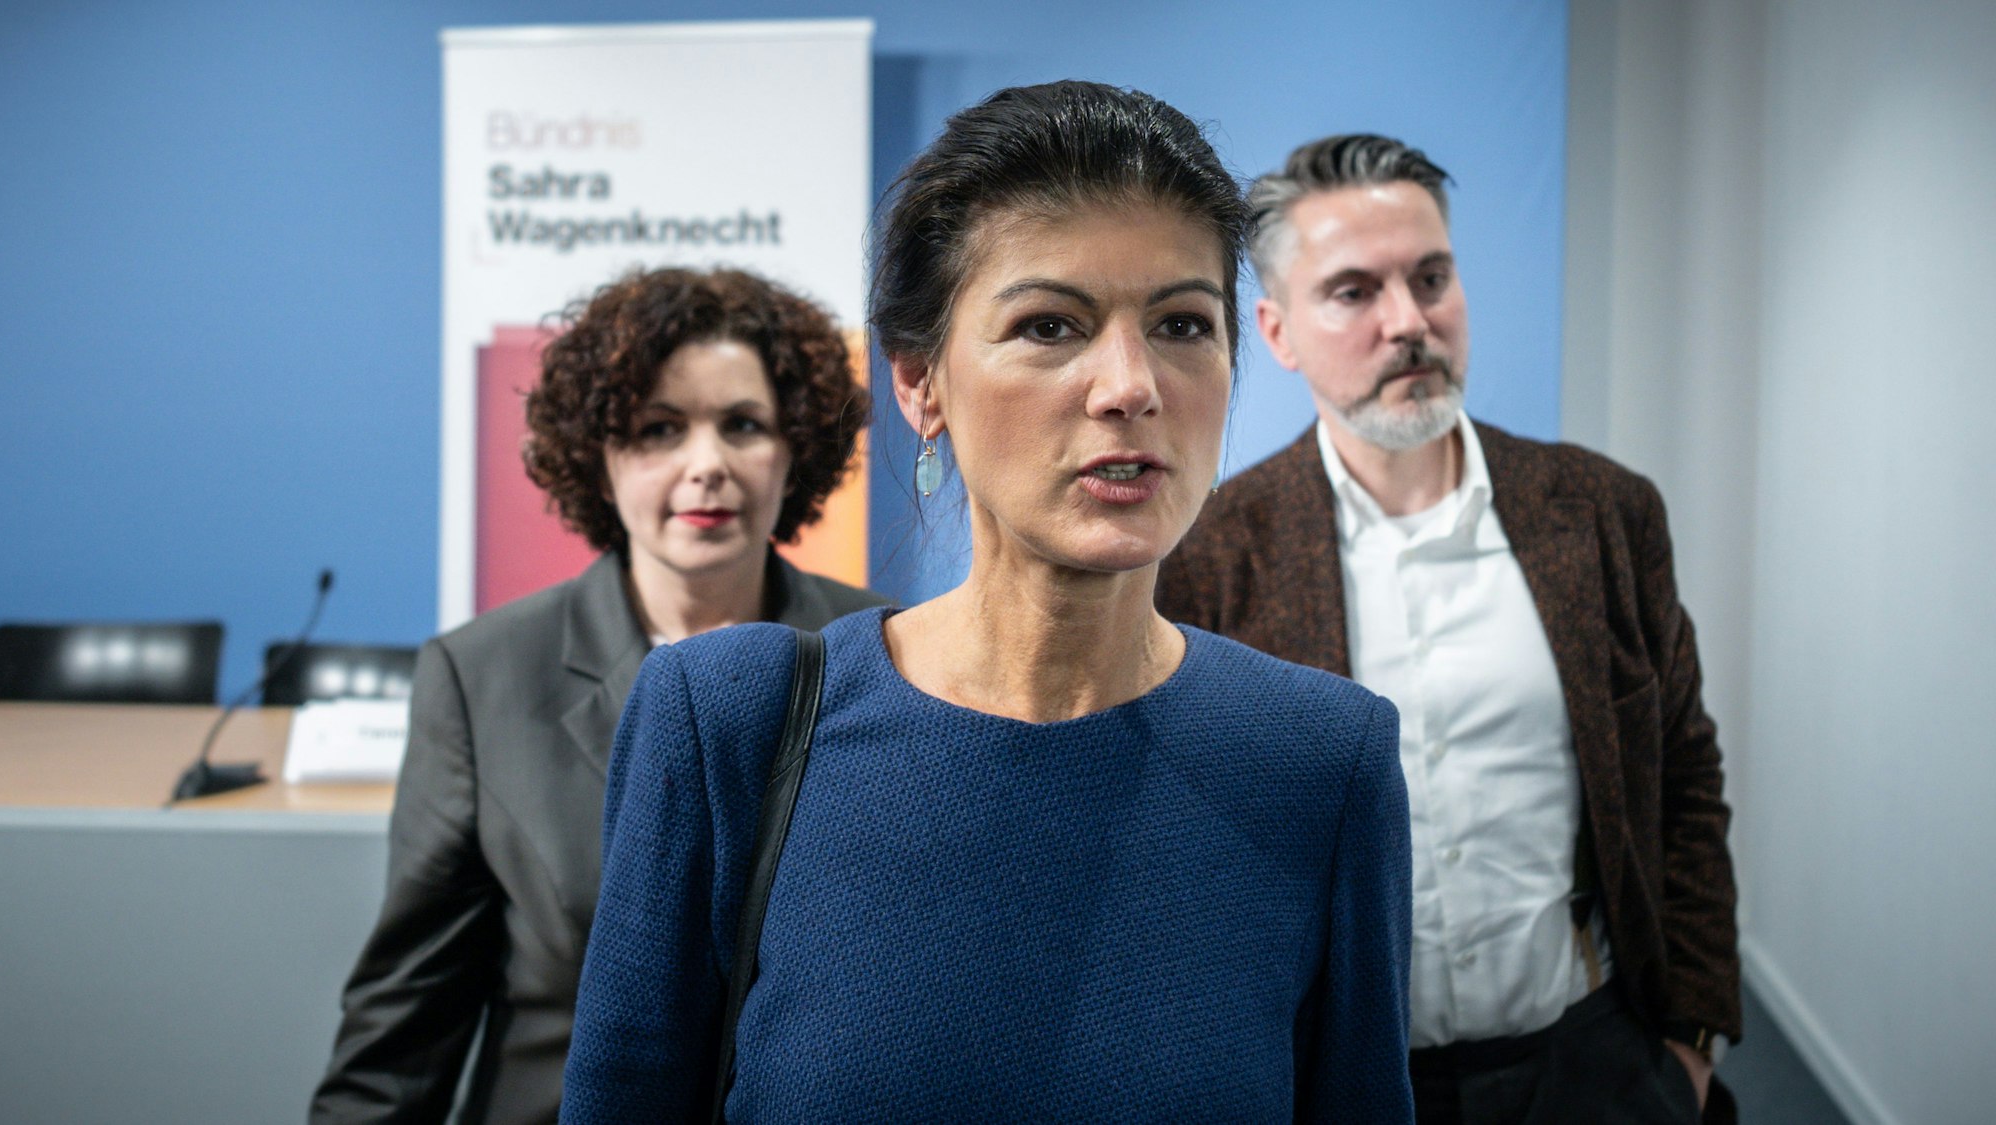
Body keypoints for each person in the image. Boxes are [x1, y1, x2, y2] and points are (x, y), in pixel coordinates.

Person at [559, 82, 1414, 1123]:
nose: (1129, 385)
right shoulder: (727, 720)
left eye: (1182, 323)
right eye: (1049, 325)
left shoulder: (1321, 759)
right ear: (920, 382)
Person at [1157, 134, 1742, 1125]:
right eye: (1353, 291)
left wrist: (1690, 1039)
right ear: (1277, 331)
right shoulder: (1212, 557)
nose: (1408, 322)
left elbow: (1682, 776)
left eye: (1430, 279)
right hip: (1347, 1082)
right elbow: (1188, 860)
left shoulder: (1602, 512)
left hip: (1597, 1061)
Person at [310, 267, 889, 1125]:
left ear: (794, 446)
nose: (707, 464)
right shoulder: (482, 676)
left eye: (743, 424)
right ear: (600, 457)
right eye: (659, 429)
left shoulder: (888, 653)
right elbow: (405, 1030)